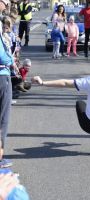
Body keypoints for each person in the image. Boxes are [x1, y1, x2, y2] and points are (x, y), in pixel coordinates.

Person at [0, 0, 14, 168]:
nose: (7, 6)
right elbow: (2, 55)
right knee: (3, 118)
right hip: (2, 75)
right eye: (6, 2)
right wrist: (10, 59)